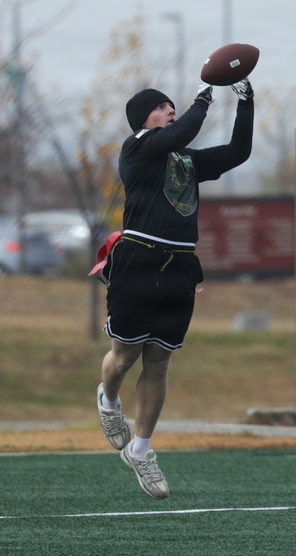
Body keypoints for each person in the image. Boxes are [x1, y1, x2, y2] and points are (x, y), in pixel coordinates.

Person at [96, 78, 254, 499]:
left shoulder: (183, 159)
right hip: (138, 257)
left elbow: (239, 152)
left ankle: (142, 450)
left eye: (172, 105)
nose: (170, 110)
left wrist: (246, 102)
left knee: (160, 362)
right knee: (126, 354)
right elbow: (182, 130)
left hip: (180, 262)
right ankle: (109, 398)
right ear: (143, 121)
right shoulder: (138, 147)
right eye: (161, 107)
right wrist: (204, 98)